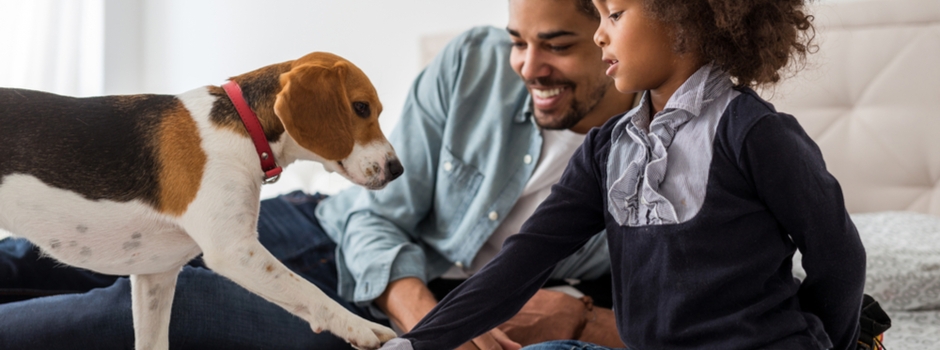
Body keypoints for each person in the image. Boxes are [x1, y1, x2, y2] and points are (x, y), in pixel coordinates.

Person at [0, 0, 637, 349]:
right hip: (331, 229)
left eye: (557, 44)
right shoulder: (474, 62)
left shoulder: (647, 155)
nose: (526, 66)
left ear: (609, 33)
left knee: (158, 296)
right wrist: (410, 311)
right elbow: (380, 209)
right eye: (518, 41)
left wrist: (578, 318)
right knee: (32, 252)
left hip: (417, 294)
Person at [379, 0, 868, 349]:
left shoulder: (755, 133)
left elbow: (839, 255)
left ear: (684, 19)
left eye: (614, 14)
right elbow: (523, 261)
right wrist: (419, 344)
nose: (598, 34)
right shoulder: (606, 149)